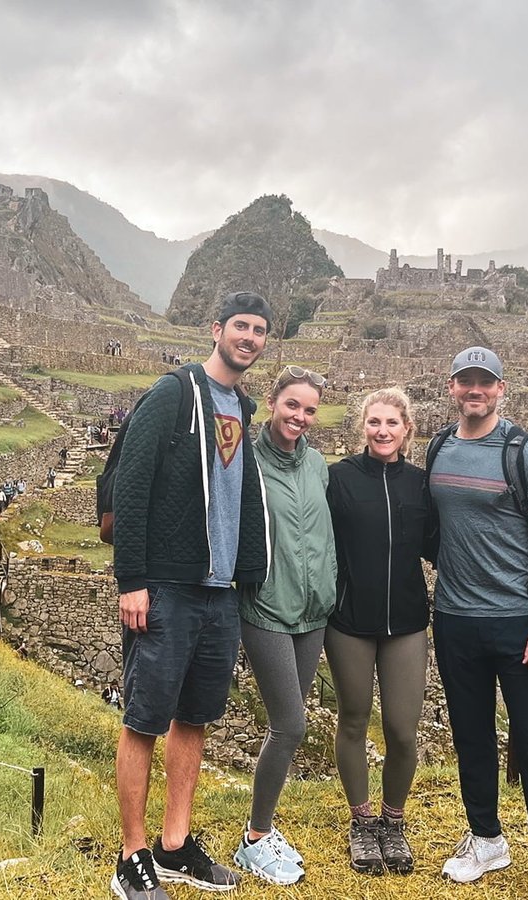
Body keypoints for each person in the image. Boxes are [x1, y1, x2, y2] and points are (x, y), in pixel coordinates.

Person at [109, 291, 273, 900]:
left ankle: (175, 844)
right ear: (217, 330)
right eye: (240, 326)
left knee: (195, 718)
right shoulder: (173, 394)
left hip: (219, 590)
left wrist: (247, 574)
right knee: (144, 719)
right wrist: (133, 580)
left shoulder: (243, 408)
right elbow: (132, 485)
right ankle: (132, 854)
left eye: (258, 330)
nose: (249, 337)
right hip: (168, 587)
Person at [427, 346, 528, 900]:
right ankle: (486, 838)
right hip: (454, 618)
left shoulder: (526, 454)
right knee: (470, 736)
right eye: (466, 381)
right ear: (452, 387)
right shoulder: (440, 447)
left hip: (517, 620)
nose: (475, 390)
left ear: (500, 390)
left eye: (484, 383)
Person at [325, 387, 437, 876]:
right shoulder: (339, 480)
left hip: (406, 622)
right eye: (375, 422)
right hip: (350, 620)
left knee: (401, 729)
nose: (383, 431)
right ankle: (361, 821)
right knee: (352, 718)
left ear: (406, 430)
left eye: (393, 423)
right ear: (362, 427)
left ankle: (393, 821)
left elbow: (441, 544)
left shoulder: (421, 485)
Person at [231, 365, 336, 885]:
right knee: (290, 724)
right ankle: (254, 838)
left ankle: (263, 829)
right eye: (292, 405)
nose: (300, 416)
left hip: (313, 611)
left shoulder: (317, 465)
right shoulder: (246, 462)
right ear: (272, 402)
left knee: (291, 725)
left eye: (310, 409)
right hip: (267, 608)